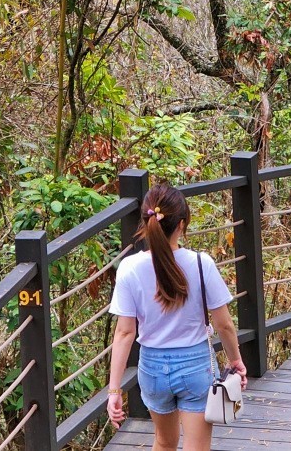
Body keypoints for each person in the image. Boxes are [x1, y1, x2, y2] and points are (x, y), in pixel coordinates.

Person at [106, 183, 248, 450]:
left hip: (152, 368)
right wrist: (236, 360)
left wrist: (114, 390)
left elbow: (125, 332)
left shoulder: (129, 267)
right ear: (182, 225)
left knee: (163, 442)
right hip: (195, 366)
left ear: (147, 221)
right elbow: (224, 324)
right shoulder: (200, 263)